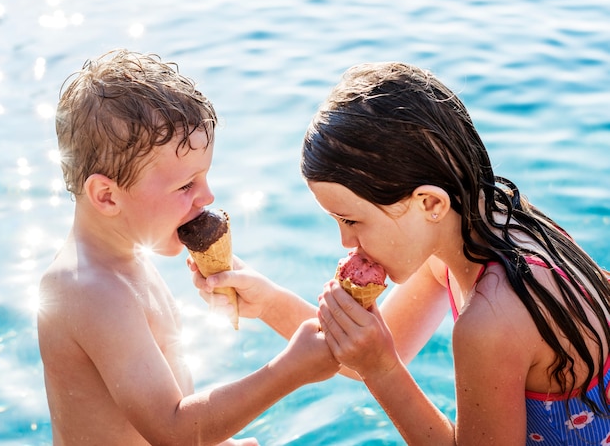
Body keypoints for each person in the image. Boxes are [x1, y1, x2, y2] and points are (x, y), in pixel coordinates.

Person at [194, 62, 610, 445]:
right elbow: (360, 355)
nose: (345, 242)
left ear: (430, 204)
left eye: (352, 221)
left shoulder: (492, 320)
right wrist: (267, 300)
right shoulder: (495, 228)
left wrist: (383, 370)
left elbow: (373, 360)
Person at [37, 49, 339, 446]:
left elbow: (167, 411)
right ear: (107, 197)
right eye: (186, 186)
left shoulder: (126, 261)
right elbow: (173, 429)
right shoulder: (88, 290)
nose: (208, 196)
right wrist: (290, 370)